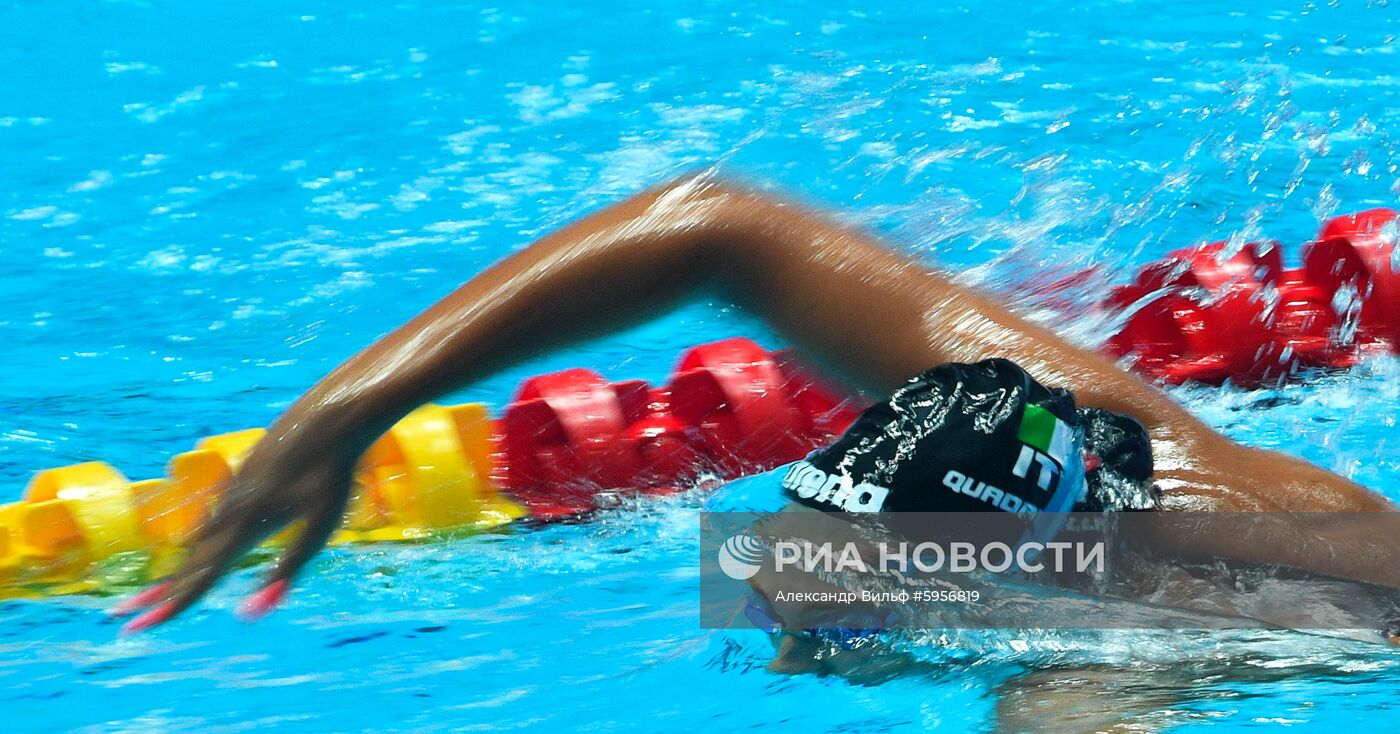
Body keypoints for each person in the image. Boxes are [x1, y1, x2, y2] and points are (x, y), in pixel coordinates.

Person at [112, 173, 1400, 634]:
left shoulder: (1184, 615)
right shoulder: (1113, 455)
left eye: (812, 615)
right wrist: (334, 417)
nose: (780, 634)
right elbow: (720, 225)